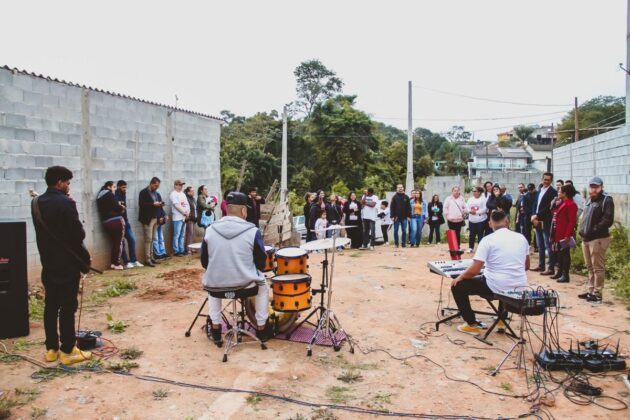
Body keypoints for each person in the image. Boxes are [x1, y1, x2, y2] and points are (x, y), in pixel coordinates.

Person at [32, 166, 92, 364]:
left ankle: (51, 349)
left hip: (48, 264)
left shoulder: (36, 203)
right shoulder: (66, 203)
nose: (68, 186)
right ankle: (68, 350)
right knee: (68, 306)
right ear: (59, 182)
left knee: (51, 307)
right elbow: (78, 235)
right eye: (67, 183)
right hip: (67, 265)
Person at [201, 192, 272, 346]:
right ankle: (261, 328)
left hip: (217, 287)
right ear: (243, 211)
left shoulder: (210, 229)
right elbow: (261, 261)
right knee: (263, 286)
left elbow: (204, 262)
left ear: (227, 209)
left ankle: (215, 329)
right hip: (245, 287)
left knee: (213, 281)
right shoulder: (252, 231)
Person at [451, 210, 530, 335]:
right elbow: (526, 266)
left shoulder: (488, 240)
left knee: (457, 286)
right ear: (507, 222)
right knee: (504, 281)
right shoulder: (521, 238)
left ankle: (471, 324)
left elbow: (475, 270)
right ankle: (501, 321)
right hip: (519, 286)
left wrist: (460, 277)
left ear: (490, 223)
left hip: (495, 286)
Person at [578, 177, 615, 303]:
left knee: (597, 267)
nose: (593, 189)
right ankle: (590, 291)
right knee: (590, 267)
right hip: (586, 238)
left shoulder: (606, 200)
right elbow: (585, 217)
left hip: (598, 239)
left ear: (601, 187)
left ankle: (597, 293)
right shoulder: (589, 200)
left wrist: (594, 230)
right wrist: (582, 230)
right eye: (591, 187)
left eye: (596, 187)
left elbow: (608, 220)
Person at [530, 172, 558, 275]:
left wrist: (537, 216)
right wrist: (533, 216)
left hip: (546, 221)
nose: (546, 181)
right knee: (540, 245)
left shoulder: (553, 192)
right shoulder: (539, 190)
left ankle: (550, 267)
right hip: (536, 221)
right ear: (542, 179)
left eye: (548, 180)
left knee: (548, 244)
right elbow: (535, 204)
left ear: (551, 181)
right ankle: (541, 265)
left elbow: (548, 208)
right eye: (544, 179)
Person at [550, 184, 578, 283]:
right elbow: (554, 213)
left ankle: (565, 275)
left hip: (564, 234)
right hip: (558, 233)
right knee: (559, 254)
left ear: (564, 193)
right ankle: (560, 272)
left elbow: (571, 221)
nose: (558, 193)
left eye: (560, 191)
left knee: (565, 254)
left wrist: (567, 235)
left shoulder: (571, 204)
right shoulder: (562, 203)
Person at [96, 181, 125, 270]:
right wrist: (122, 208)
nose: (115, 189)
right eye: (114, 187)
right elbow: (116, 206)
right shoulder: (109, 194)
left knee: (115, 242)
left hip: (106, 222)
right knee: (119, 242)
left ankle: (113, 263)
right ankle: (116, 263)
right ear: (108, 187)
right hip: (115, 220)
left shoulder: (99, 196)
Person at [114, 180, 142, 269]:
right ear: (118, 187)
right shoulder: (114, 195)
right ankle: (126, 262)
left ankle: (134, 260)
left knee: (132, 239)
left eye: (125, 187)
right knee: (122, 242)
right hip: (119, 221)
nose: (125, 189)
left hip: (125, 221)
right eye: (123, 187)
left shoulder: (123, 194)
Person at [138, 177, 165, 267]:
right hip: (147, 218)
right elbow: (141, 205)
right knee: (148, 239)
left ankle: (152, 257)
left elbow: (160, 206)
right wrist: (153, 204)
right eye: (156, 185)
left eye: (158, 186)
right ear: (152, 184)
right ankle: (147, 259)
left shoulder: (156, 193)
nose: (157, 187)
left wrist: (162, 214)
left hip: (155, 218)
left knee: (153, 238)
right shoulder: (143, 192)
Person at [170, 180, 190, 256]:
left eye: (181, 185)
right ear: (175, 185)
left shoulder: (183, 194)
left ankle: (181, 249)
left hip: (184, 216)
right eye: (179, 185)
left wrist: (188, 212)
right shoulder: (173, 194)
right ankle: (176, 250)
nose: (181, 186)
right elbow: (176, 205)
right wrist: (184, 212)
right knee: (177, 234)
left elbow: (187, 204)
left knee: (182, 234)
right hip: (177, 217)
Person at [466, 187, 487, 253]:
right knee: (471, 234)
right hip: (472, 220)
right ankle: (470, 247)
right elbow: (467, 207)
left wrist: (476, 212)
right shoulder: (470, 199)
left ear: (480, 192)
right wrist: (470, 211)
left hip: (481, 220)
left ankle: (480, 249)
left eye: (476, 191)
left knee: (480, 234)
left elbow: (485, 209)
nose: (474, 192)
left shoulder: (484, 199)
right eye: (474, 191)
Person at [522, 183, 538, 251]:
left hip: (536, 216)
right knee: (527, 231)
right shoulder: (526, 196)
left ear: (534, 188)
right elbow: (525, 207)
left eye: (531, 189)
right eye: (529, 190)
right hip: (528, 216)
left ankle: (536, 246)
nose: (530, 191)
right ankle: (528, 245)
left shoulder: (538, 194)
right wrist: (531, 215)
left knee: (536, 231)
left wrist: (534, 215)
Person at [184, 186, 197, 254]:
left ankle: (191, 248)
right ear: (188, 192)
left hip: (194, 219)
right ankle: (188, 249)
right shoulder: (187, 199)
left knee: (192, 234)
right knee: (189, 233)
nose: (193, 192)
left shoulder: (193, 199)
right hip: (189, 219)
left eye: (193, 191)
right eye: (192, 191)